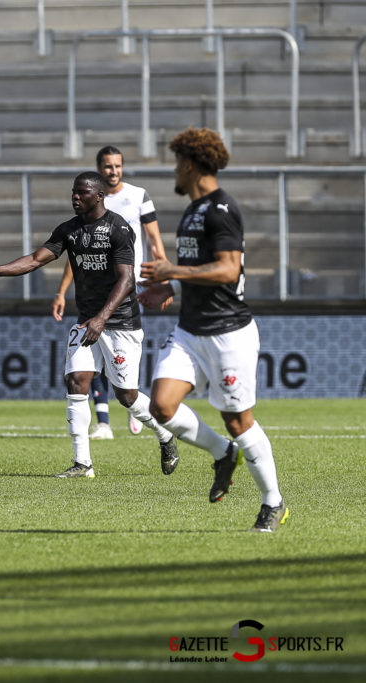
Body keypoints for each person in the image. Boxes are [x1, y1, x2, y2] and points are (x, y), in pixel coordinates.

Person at [0, 171, 178, 478]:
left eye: (82, 193)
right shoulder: (69, 229)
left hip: (120, 323)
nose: (75, 197)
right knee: (76, 383)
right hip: (87, 321)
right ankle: (82, 464)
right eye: (73, 192)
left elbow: (127, 279)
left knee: (126, 396)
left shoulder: (118, 228)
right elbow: (35, 259)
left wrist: (103, 318)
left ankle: (165, 434)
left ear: (99, 195)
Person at [138, 127, 288, 532]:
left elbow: (228, 269)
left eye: (175, 163)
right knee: (161, 406)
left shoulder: (222, 209)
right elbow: (199, 270)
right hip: (190, 331)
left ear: (189, 165)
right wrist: (169, 284)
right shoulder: (192, 210)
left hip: (227, 332)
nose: (174, 171)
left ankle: (273, 502)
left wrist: (173, 269)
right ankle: (223, 454)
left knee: (239, 420)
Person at [52, 145, 169, 440]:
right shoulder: (85, 207)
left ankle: (133, 401)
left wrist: (164, 278)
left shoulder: (138, 195)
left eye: (118, 166)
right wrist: (62, 290)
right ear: (99, 169)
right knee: (83, 366)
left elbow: (154, 241)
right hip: (93, 292)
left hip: (131, 283)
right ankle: (102, 421)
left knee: (122, 366)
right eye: (108, 166)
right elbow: (78, 254)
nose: (113, 171)